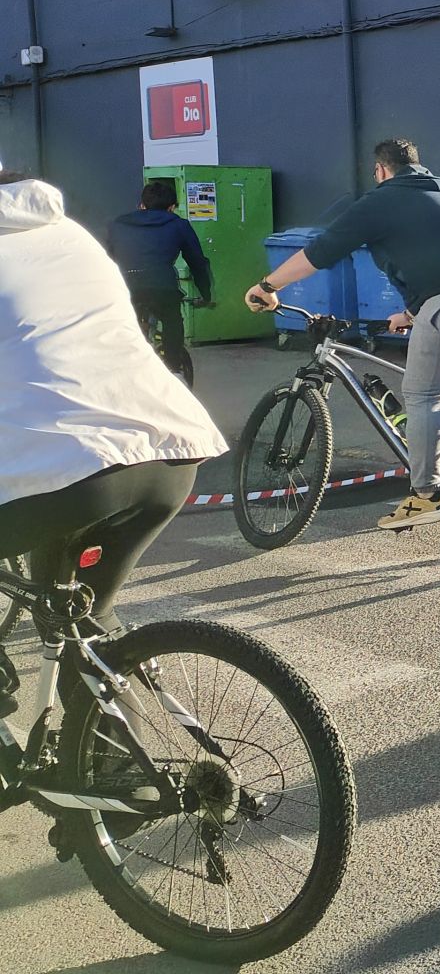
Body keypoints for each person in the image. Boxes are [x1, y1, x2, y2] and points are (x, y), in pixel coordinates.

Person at [0, 168, 227, 718]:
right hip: (167, 447)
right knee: (84, 617)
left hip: (69, 469)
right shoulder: (69, 234)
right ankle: (111, 783)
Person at [246, 138, 440, 531]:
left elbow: (320, 251)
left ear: (381, 170)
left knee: (424, 394)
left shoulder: (382, 200)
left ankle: (427, 496)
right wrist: (411, 312)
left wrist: (267, 287)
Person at [104, 177, 213, 379]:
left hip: (123, 287)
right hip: (161, 286)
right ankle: (174, 369)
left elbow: (107, 259)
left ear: (141, 205)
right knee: (172, 320)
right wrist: (206, 294)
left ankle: (120, 368)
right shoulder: (179, 225)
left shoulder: (117, 224)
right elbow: (197, 262)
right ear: (172, 207)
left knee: (124, 325)